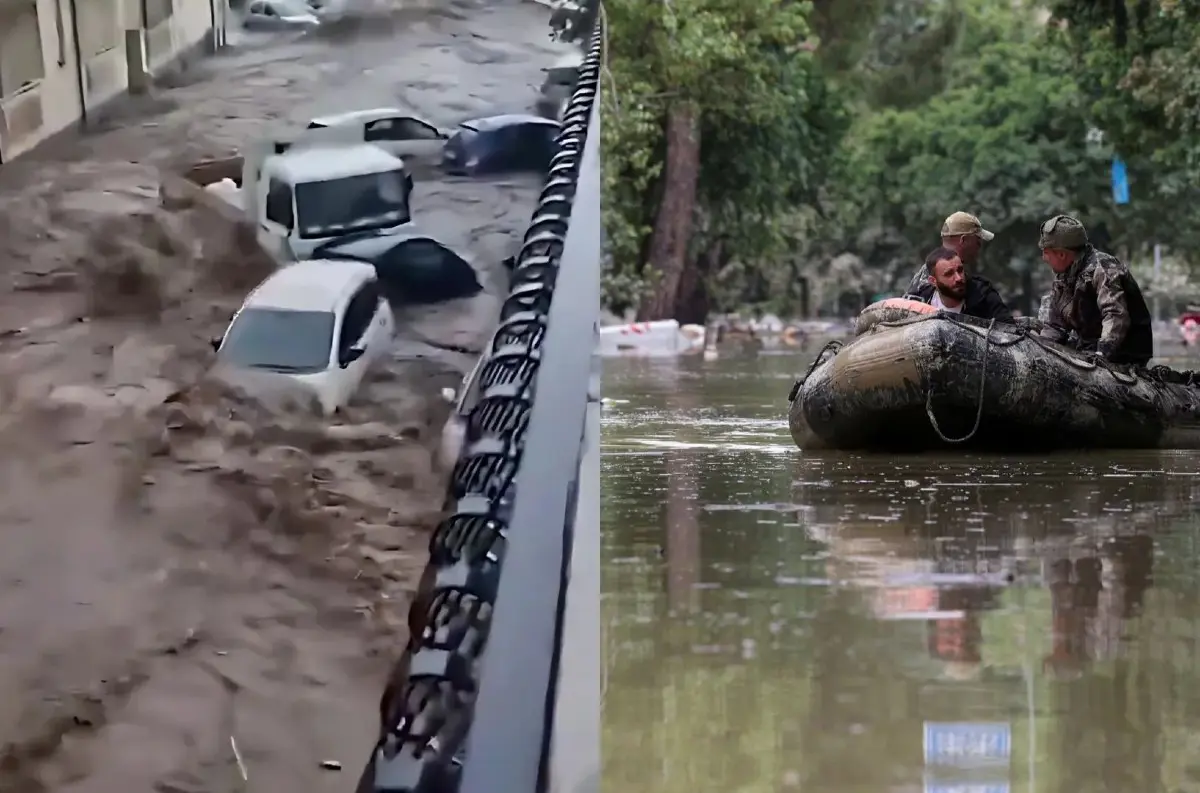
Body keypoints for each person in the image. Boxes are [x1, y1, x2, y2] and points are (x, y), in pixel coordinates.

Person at [1036, 214, 1153, 366]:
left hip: (1123, 354)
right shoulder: (1063, 277)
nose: (1044, 258)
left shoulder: (1103, 268)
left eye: (1046, 252)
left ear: (1062, 254)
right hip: (1087, 348)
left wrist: (1101, 353)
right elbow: (1055, 326)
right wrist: (1041, 348)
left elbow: (1115, 314)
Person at [908, 246, 1015, 322]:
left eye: (960, 270)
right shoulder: (922, 299)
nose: (959, 278)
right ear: (933, 281)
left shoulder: (983, 294)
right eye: (949, 274)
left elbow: (1008, 328)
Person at [903, 211, 995, 296]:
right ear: (963, 240)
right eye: (978, 242)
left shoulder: (928, 272)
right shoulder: (933, 282)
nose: (979, 248)